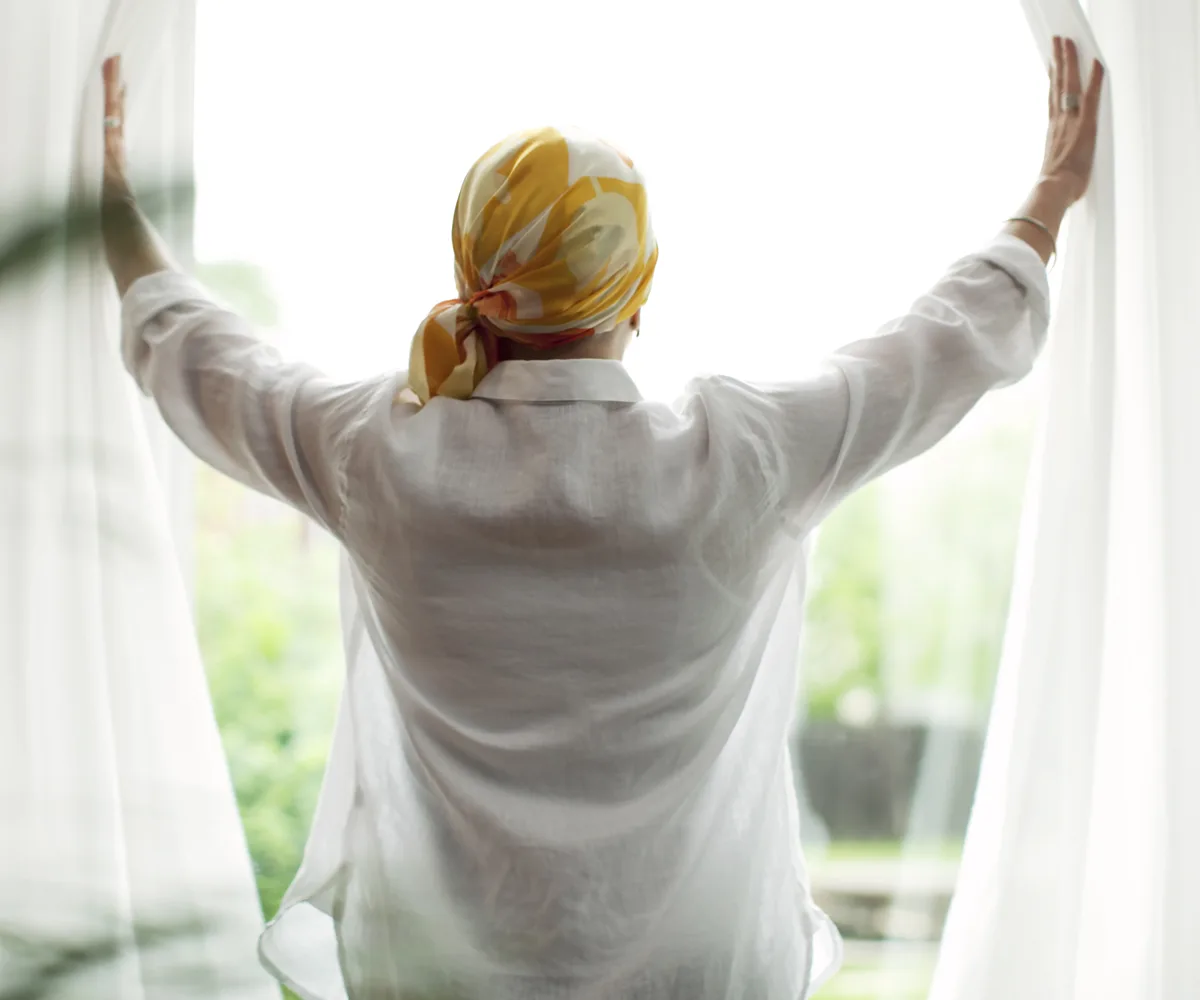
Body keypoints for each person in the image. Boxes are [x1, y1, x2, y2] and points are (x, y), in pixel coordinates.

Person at [100, 37, 1103, 1000]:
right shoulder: (744, 458)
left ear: (472, 282)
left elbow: (200, 355)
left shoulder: (378, 452)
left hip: (433, 973)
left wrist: (108, 208)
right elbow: (936, 351)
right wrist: (1048, 204)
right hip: (698, 975)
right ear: (641, 290)